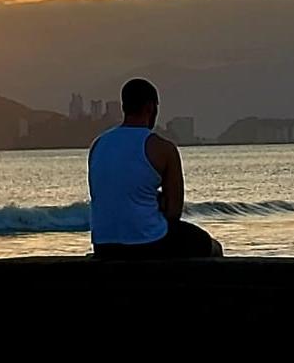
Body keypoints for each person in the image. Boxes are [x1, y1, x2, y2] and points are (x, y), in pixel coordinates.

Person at [88, 78, 223, 259]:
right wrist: (160, 202)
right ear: (150, 107)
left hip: (104, 246)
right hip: (148, 242)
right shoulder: (163, 148)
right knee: (213, 247)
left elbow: (110, 194)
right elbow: (173, 212)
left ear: (124, 107)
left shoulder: (98, 145)